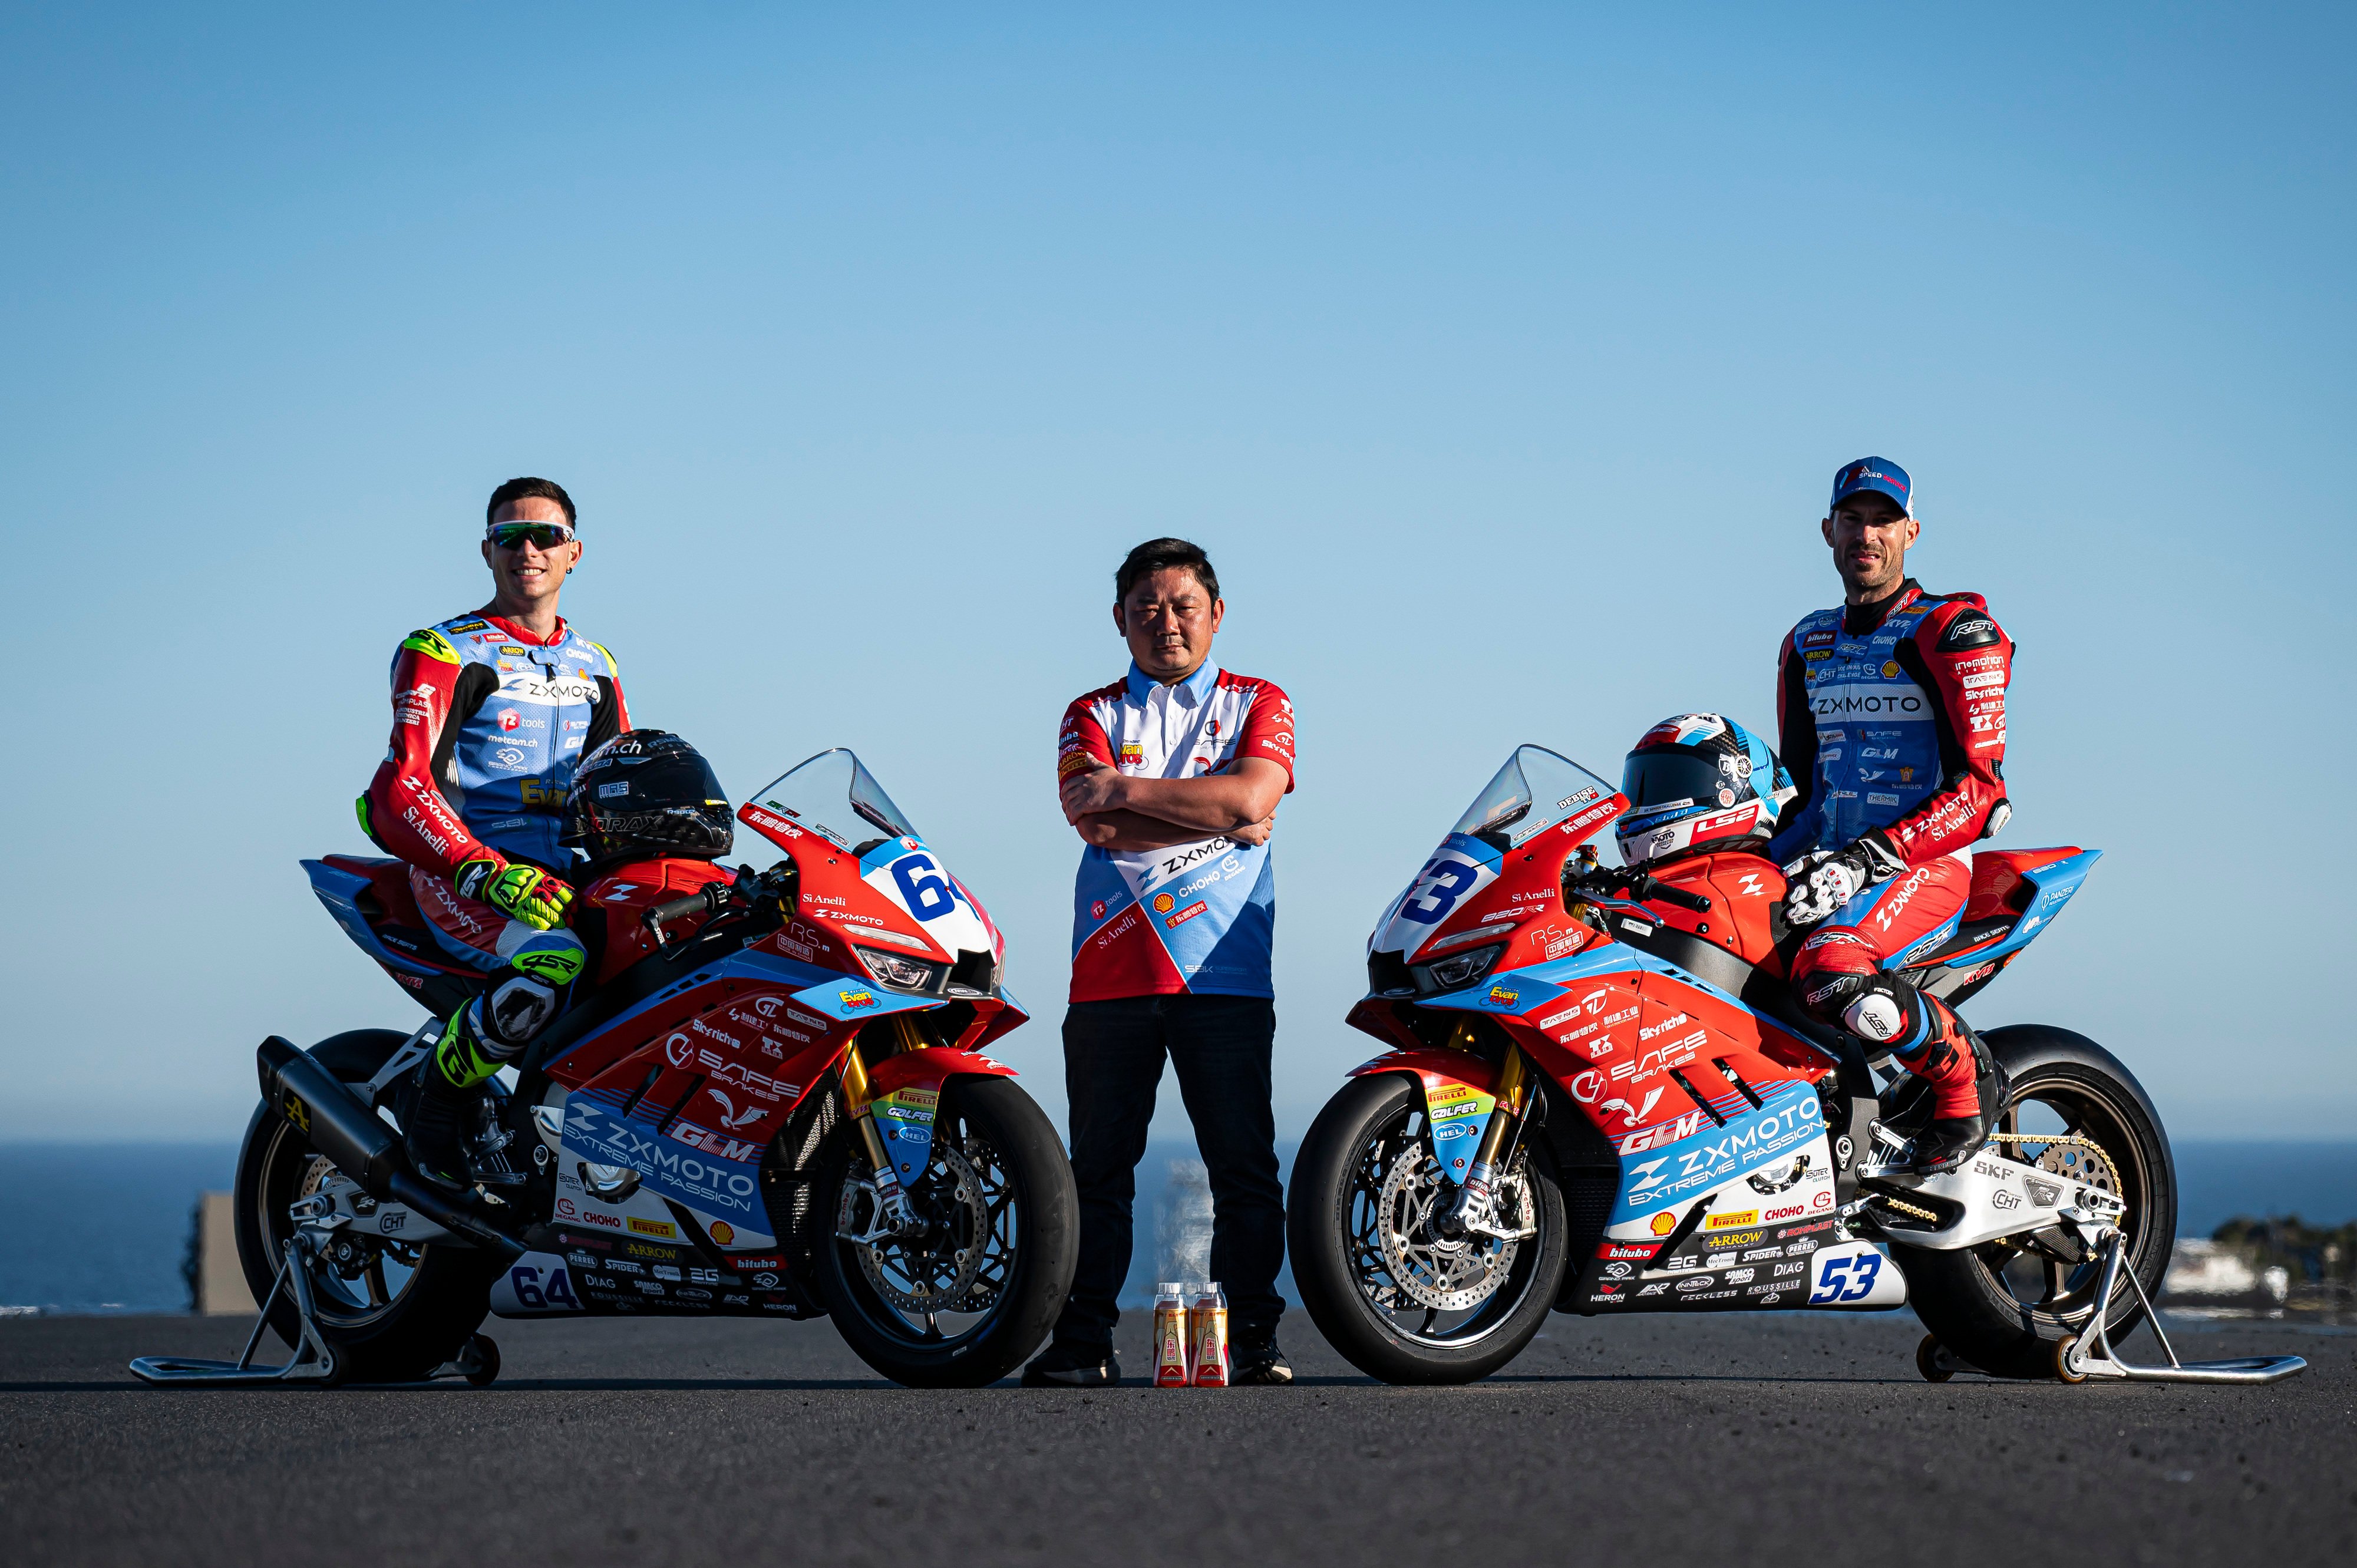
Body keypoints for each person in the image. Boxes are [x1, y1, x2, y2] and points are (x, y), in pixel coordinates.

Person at [1023, 538, 1297, 1388]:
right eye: (1147, 607)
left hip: (1227, 972)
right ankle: (1084, 1345)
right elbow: (1096, 822)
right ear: (1119, 620)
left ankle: (1255, 1343)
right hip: (1111, 975)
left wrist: (1130, 791)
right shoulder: (1090, 711)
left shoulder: (1261, 699)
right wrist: (1221, 813)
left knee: (1244, 1170)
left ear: (1217, 615)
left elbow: (1253, 795)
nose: (1166, 622)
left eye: (1184, 606)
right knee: (1096, 1176)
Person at [359, 477, 633, 1183]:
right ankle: (434, 1107)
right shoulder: (445, 650)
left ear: (574, 552)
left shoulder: (597, 664)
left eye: (545, 536)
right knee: (554, 962)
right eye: (510, 537)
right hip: (464, 875)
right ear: (488, 551)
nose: (528, 550)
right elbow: (400, 789)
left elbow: (623, 790)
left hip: (565, 878)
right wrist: (484, 870)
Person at [1767, 457, 2016, 1172]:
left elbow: (1983, 795)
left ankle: (1965, 1084)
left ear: (1911, 532)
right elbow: (1794, 788)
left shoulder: (1954, 630)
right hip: (1821, 865)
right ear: (1828, 530)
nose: (1866, 535)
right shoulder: (1805, 642)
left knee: (1830, 968)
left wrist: (1865, 860)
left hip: (1922, 868)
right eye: (1852, 519)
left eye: (1883, 520)